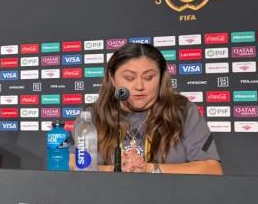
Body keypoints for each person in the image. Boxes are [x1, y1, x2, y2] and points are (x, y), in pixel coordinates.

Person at [88, 43, 222, 175]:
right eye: (129, 78)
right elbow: (75, 165)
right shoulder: (92, 115)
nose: (139, 86)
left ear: (161, 78)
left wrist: (151, 169)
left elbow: (213, 169)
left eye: (148, 78)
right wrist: (115, 169)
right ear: (112, 78)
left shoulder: (183, 111)